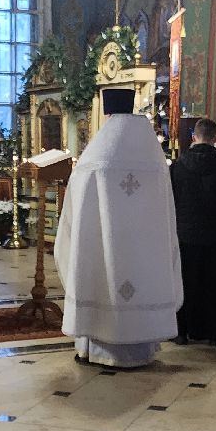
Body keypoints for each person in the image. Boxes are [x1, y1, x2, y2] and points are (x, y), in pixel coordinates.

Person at [56, 88, 183, 368]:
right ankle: (141, 348)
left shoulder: (97, 154)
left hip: (104, 243)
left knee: (103, 276)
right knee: (143, 277)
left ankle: (98, 350)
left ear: (107, 113)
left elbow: (78, 203)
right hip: (144, 246)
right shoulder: (153, 156)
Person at [170, 117, 216, 346]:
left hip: (185, 233)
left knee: (185, 281)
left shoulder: (178, 166)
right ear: (215, 138)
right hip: (215, 234)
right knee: (215, 283)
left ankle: (181, 331)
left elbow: (171, 199)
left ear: (194, 136)